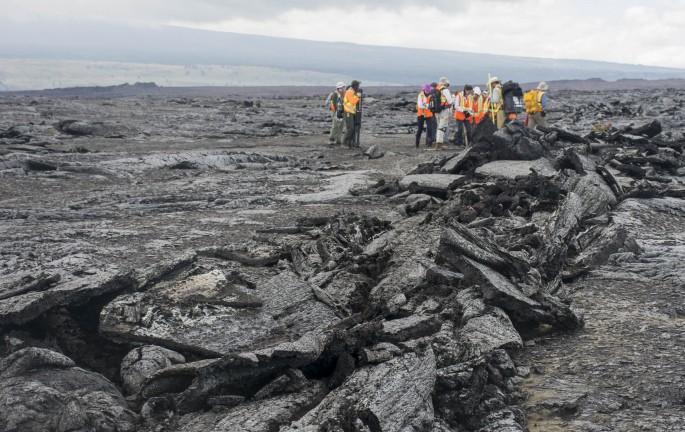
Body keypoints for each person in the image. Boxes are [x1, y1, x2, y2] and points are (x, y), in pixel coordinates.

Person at [435, 77, 453, 149]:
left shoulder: (436, 89)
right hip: (444, 110)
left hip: (436, 111)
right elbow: (450, 101)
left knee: (439, 126)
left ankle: (438, 142)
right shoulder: (445, 90)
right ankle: (439, 144)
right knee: (441, 127)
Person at [343, 80, 362, 148]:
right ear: (355, 86)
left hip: (352, 112)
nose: (358, 87)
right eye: (358, 86)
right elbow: (353, 101)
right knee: (350, 128)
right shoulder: (349, 92)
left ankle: (351, 142)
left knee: (353, 128)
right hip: (348, 112)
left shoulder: (353, 92)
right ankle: (345, 142)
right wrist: (358, 96)